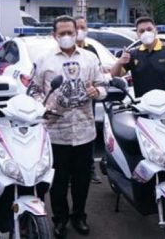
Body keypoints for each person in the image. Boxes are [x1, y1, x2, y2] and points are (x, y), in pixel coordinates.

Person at [29, 15, 107, 238]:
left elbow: (103, 87)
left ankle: (79, 216)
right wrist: (42, 106)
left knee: (82, 180)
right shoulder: (43, 60)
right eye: (62, 33)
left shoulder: (90, 58)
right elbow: (33, 90)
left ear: (76, 33)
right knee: (58, 181)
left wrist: (96, 91)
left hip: (84, 130)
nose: (66, 36)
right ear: (54, 35)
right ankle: (60, 219)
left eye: (70, 32)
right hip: (56, 131)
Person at [110, 17, 165, 98]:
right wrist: (119, 62)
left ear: (156, 30)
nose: (146, 33)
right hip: (142, 103)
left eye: (149, 29)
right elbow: (114, 75)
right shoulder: (133, 53)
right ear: (137, 34)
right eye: (142, 31)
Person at [74, 15, 102, 185]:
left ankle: (89, 169)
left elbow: (98, 75)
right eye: (77, 27)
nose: (80, 31)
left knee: (88, 134)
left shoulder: (91, 50)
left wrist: (96, 88)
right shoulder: (58, 51)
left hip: (87, 101)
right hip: (66, 104)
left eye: (83, 27)